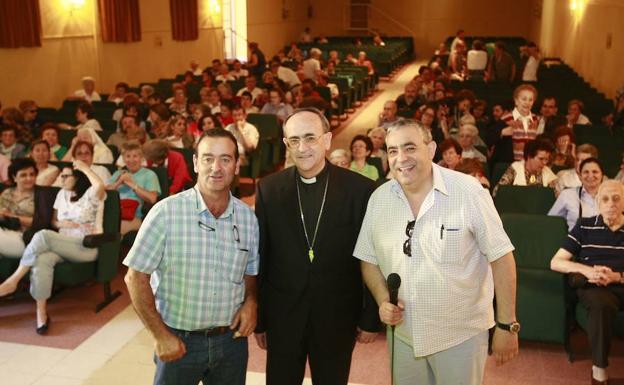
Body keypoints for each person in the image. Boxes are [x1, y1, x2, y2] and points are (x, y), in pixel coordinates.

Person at [354, 119, 519, 385]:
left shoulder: (468, 192)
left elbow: (501, 257)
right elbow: (368, 258)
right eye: (393, 150)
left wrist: (506, 324)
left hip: (459, 337)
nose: (401, 158)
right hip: (404, 337)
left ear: (431, 150)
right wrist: (384, 298)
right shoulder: (380, 198)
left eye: (410, 148)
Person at [254, 108, 380, 385]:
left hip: (337, 316)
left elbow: (371, 257)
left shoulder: (361, 190)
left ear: (327, 140)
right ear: (286, 145)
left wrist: (370, 317)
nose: (302, 148)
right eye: (294, 140)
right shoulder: (269, 189)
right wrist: (260, 319)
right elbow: (262, 257)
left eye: (310, 138)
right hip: (283, 315)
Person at [124, 129, 259, 385]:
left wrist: (251, 301)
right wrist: (160, 335)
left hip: (231, 343)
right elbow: (135, 278)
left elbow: (250, 271)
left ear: (237, 165)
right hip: (179, 341)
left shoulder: (248, 218)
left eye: (226, 159)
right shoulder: (165, 212)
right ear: (195, 163)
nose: (216, 167)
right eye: (208, 158)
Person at [0, 161, 105, 333]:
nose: (61, 179)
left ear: (77, 177)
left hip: (85, 246)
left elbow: (99, 184)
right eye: (61, 175)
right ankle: (41, 313)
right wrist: (62, 223)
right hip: (63, 244)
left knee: (42, 235)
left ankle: (13, 281)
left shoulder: (91, 195)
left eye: (66, 176)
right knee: (42, 259)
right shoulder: (61, 195)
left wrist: (85, 168)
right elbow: (54, 221)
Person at [550, 180, 624, 385]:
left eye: (617, 199)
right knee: (601, 305)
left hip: (621, 281)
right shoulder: (584, 226)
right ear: (598, 202)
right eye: (606, 199)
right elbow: (556, 262)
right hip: (596, 286)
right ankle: (599, 369)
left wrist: (617, 276)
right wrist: (588, 271)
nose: (611, 204)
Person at [107, 141, 160, 235]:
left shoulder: (150, 175)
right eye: (128, 156)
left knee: (113, 228)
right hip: (113, 213)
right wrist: (119, 182)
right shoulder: (118, 173)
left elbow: (152, 199)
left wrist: (133, 184)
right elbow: (104, 193)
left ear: (141, 158)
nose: (131, 160)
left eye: (135, 156)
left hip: (133, 217)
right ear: (123, 158)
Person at [549, 157, 603, 230]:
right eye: (586, 172)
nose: (590, 175)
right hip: (576, 240)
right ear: (580, 176)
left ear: (602, 175)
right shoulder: (567, 195)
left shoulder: (612, 197)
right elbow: (550, 221)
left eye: (595, 172)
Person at [0, 158, 36, 261]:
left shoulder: (40, 195)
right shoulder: (7, 193)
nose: (29, 178)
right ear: (14, 177)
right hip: (5, 232)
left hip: (24, 238)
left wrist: (11, 216)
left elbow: (40, 222)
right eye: (23, 175)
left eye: (32, 174)